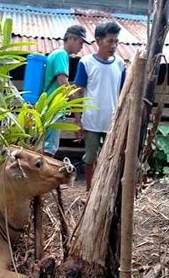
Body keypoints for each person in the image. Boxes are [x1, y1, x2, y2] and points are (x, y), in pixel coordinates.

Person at [74, 22, 126, 191]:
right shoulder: (86, 63)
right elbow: (78, 93)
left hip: (112, 122)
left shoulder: (120, 64)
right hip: (91, 122)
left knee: (111, 158)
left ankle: (106, 191)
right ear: (98, 40)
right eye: (110, 41)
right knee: (90, 157)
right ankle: (90, 191)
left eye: (116, 42)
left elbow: (124, 93)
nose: (113, 46)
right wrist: (77, 120)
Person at [43, 25, 90, 156]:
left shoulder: (55, 54)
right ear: (70, 39)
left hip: (48, 107)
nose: (81, 47)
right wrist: (77, 111)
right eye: (80, 42)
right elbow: (63, 84)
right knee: (49, 149)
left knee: (46, 146)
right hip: (53, 108)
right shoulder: (61, 55)